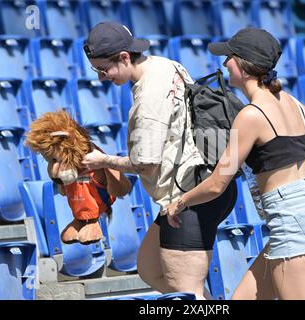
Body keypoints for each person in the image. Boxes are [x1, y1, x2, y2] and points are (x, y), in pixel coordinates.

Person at [165, 28, 305, 300]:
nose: (224, 63)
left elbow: (217, 183)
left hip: (293, 228)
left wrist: (180, 202)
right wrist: (295, 185)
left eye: (228, 57)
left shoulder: (250, 116)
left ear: (243, 66)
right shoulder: (293, 103)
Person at [76, 21, 237, 299]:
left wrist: (104, 160)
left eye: (104, 69)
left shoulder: (148, 98)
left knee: (185, 293)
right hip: (208, 186)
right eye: (96, 69)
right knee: (150, 268)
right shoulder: (167, 65)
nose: (101, 77)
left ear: (125, 57)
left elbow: (146, 163)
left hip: (188, 197)